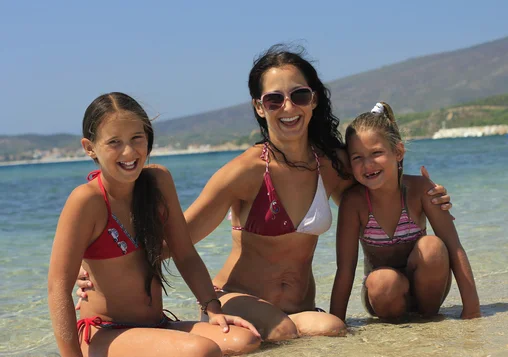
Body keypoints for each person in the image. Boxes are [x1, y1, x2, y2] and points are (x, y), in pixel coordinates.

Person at [76, 45, 453, 341]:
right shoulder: (246, 172)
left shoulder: (333, 166)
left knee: (329, 329)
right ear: (260, 107)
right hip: (239, 298)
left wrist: (426, 196)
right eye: (274, 100)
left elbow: (380, 192)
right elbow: (177, 239)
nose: (288, 107)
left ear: (314, 100)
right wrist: (89, 262)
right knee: (303, 332)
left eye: (299, 95)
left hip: (299, 308)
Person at [48, 92, 260, 357]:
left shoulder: (158, 182)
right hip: (106, 334)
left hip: (156, 325)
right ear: (90, 148)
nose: (129, 152)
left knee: (245, 341)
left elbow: (185, 253)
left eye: (137, 138)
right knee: (202, 352)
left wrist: (212, 307)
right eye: (114, 142)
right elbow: (57, 288)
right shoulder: (86, 201)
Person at [329, 102, 481, 322]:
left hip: (429, 290)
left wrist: (472, 310)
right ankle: (399, 329)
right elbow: (345, 269)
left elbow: (454, 248)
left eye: (376, 153)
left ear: (398, 151)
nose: (368, 164)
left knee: (433, 247)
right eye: (357, 158)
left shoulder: (421, 191)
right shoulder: (354, 204)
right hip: (383, 295)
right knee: (383, 281)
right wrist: (337, 322)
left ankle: (428, 321)